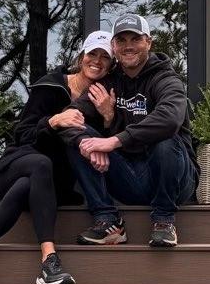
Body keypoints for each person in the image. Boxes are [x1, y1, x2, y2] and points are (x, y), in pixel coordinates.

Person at [0, 31, 115, 284]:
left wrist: (108, 118)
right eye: (92, 53)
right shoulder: (51, 86)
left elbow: (106, 146)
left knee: (28, 185)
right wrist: (53, 121)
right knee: (40, 164)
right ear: (81, 56)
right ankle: (49, 260)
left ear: (111, 64)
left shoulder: (105, 97)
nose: (97, 60)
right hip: (19, 162)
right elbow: (22, 134)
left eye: (105, 57)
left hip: (52, 182)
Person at [67, 13, 198, 248]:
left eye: (135, 39)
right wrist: (86, 142)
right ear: (114, 46)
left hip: (175, 181)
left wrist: (114, 140)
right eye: (121, 40)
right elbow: (71, 118)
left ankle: (164, 220)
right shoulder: (108, 83)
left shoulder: (166, 79)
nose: (128, 46)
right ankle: (108, 221)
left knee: (164, 139)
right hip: (130, 177)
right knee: (79, 135)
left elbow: (169, 119)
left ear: (148, 42)